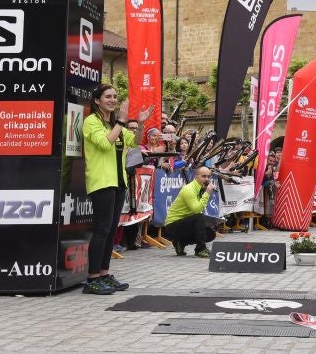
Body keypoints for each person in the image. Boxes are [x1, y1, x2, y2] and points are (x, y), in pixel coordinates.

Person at [81, 84, 152, 294]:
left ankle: (104, 274)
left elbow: (135, 144)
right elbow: (104, 144)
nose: (112, 100)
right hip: (101, 181)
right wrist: (121, 120)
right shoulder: (91, 122)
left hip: (118, 181)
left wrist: (140, 123)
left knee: (111, 230)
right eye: (107, 97)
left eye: (114, 97)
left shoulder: (115, 124)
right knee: (102, 229)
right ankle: (92, 278)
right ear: (97, 101)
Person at [163, 166, 218, 258]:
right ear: (196, 176)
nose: (207, 179)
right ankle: (200, 249)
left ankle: (180, 242)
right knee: (199, 217)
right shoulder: (189, 189)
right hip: (172, 225)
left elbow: (196, 210)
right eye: (203, 176)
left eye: (208, 176)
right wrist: (208, 192)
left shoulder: (201, 188)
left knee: (210, 233)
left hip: (185, 223)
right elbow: (196, 210)